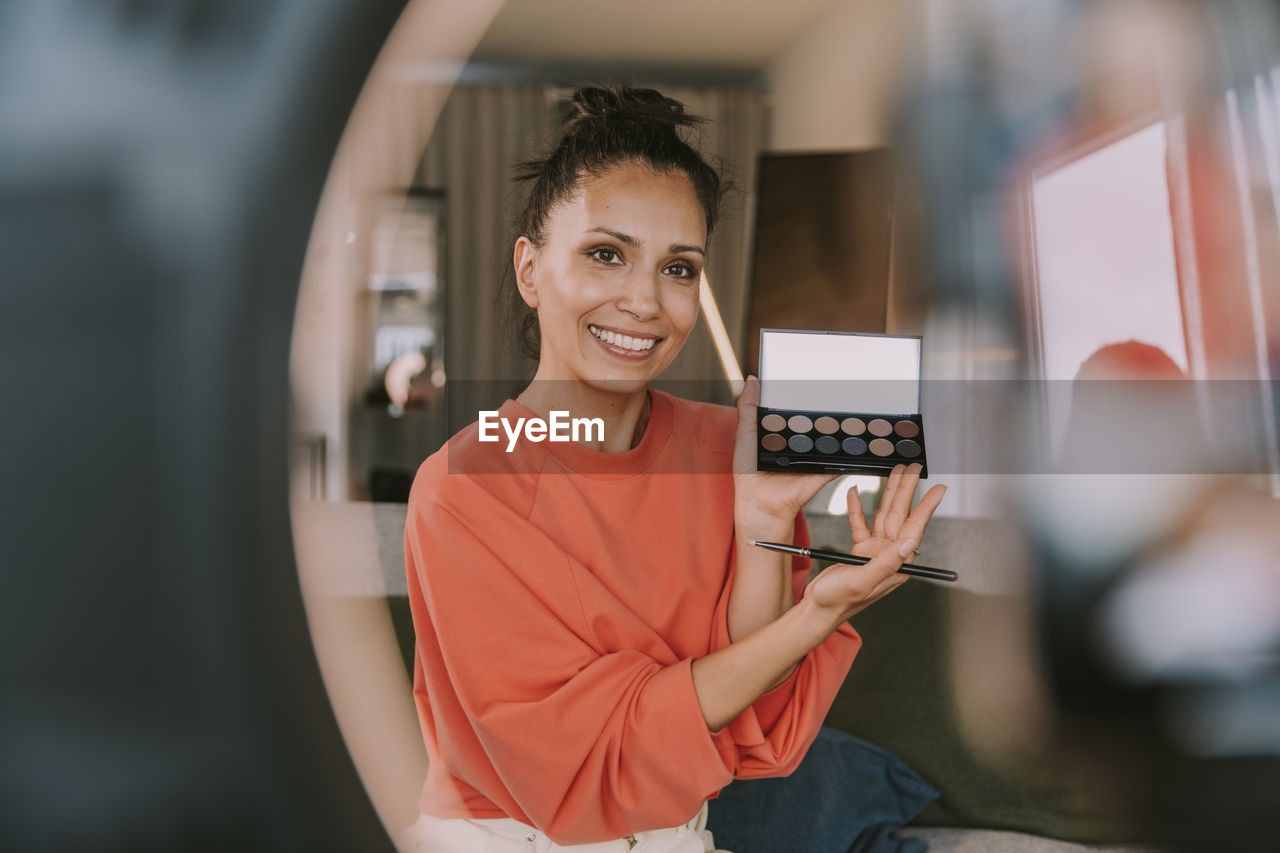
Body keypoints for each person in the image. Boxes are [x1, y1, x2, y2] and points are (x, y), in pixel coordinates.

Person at [400, 85, 946, 852]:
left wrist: (760, 524)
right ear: (530, 269)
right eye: (605, 254)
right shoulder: (461, 487)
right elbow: (590, 760)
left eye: (679, 269)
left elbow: (741, 710)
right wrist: (816, 611)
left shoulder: (732, 450)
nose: (644, 301)